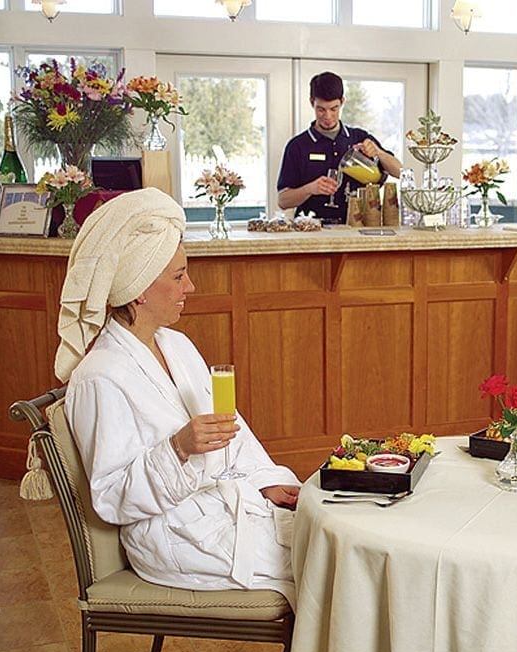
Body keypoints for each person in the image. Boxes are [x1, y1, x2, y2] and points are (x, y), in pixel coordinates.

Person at [55, 188, 301, 603]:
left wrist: (265, 483)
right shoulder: (100, 378)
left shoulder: (178, 346)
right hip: (175, 536)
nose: (191, 285)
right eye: (177, 275)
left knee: (333, 538)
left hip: (225, 507)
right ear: (139, 289)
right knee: (334, 563)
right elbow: (111, 498)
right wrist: (178, 449)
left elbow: (233, 435)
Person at [277, 71, 402, 220]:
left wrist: (378, 152)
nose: (328, 116)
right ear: (312, 103)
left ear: (342, 101)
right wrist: (310, 189)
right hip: (312, 231)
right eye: (321, 109)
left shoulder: (360, 138)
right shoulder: (297, 146)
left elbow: (399, 172)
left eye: (334, 109)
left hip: (356, 229)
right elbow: (283, 201)